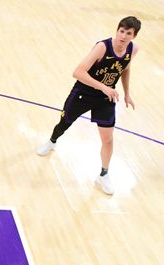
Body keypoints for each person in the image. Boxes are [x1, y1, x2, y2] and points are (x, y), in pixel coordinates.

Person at [36, 16, 141, 196]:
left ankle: (104, 174)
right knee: (64, 124)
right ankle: (52, 141)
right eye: (121, 31)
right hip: (84, 92)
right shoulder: (102, 47)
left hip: (105, 97)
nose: (123, 36)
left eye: (128, 33)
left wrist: (127, 93)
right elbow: (77, 72)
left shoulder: (133, 49)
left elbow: (125, 69)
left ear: (134, 36)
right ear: (117, 30)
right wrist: (103, 87)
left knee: (108, 139)